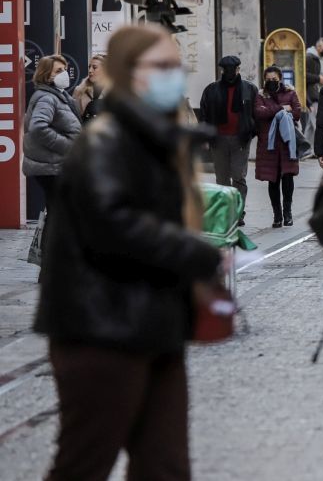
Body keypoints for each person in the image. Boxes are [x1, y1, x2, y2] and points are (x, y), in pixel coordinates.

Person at [35, 24, 222, 481]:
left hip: (156, 323)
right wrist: (194, 252)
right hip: (100, 327)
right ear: (127, 73)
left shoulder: (155, 139)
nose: (171, 76)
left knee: (165, 466)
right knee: (84, 463)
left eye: (174, 66)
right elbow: (113, 224)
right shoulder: (104, 140)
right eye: (159, 67)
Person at [199, 56, 259, 217]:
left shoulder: (249, 89)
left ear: (239, 69)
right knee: (222, 179)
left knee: (239, 177)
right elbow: (204, 114)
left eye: (236, 69)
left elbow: (256, 113)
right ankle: (227, 213)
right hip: (218, 140)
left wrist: (250, 132)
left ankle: (238, 212)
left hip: (241, 140)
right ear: (222, 71)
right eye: (228, 69)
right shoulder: (211, 90)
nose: (233, 72)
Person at [23, 54, 82, 215]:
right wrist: (68, 146)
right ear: (46, 74)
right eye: (58, 70)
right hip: (51, 167)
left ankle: (54, 240)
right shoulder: (47, 98)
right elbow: (38, 128)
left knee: (59, 214)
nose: (63, 74)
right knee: (60, 214)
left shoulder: (59, 96)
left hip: (56, 166)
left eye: (64, 69)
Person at [254, 66, 303, 228]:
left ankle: (288, 213)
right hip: (269, 144)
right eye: (268, 79)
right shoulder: (260, 95)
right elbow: (259, 113)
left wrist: (272, 110)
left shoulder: (290, 92)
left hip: (287, 143)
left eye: (274, 79)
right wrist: (282, 108)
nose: (271, 82)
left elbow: (296, 112)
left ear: (280, 78)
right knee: (272, 180)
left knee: (288, 178)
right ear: (264, 80)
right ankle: (277, 216)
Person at [72, 53, 108, 123]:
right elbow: (73, 118)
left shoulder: (114, 92)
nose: (90, 70)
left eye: (94, 67)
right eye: (89, 67)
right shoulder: (79, 91)